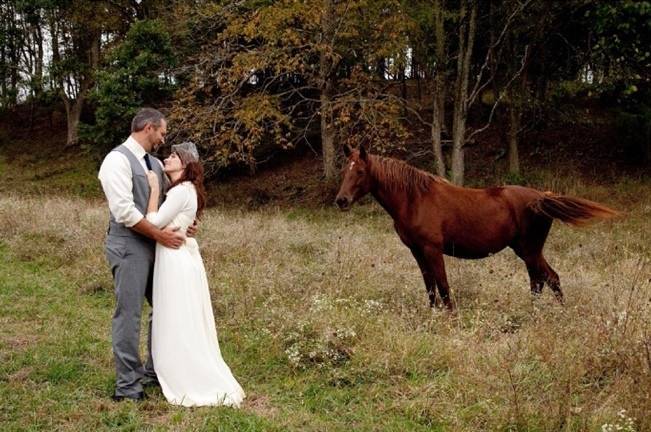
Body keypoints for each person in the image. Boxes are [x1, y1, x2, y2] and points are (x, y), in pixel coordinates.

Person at [98, 108, 190, 402]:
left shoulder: (154, 163)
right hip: (128, 245)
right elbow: (124, 211)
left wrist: (184, 225)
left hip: (157, 245)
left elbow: (162, 207)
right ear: (148, 128)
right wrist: (160, 235)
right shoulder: (116, 160)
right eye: (162, 133)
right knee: (130, 313)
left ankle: (153, 371)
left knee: (164, 309)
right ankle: (127, 386)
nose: (163, 139)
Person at [144, 141, 245, 407]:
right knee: (181, 314)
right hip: (181, 254)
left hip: (175, 257)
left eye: (174, 156)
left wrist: (153, 190)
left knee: (176, 315)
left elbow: (153, 222)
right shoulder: (184, 190)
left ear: (186, 164)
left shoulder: (179, 191)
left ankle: (183, 372)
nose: (167, 158)